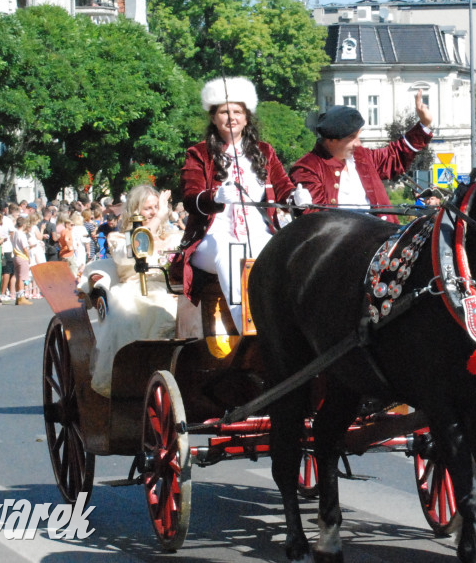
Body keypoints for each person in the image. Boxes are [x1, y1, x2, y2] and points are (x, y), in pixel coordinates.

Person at [175, 76, 309, 351]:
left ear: (247, 118)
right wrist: (214, 198)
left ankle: (294, 326)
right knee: (231, 254)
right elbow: (190, 199)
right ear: (214, 117)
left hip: (259, 231)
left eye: (238, 111)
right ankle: (251, 332)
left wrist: (296, 196)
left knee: (288, 255)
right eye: (224, 111)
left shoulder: (264, 152)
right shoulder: (198, 154)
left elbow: (283, 188)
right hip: (211, 238)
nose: (231, 117)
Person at [80, 185, 193, 396]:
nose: (153, 212)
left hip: (173, 289)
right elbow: (132, 253)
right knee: (158, 313)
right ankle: (146, 377)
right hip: (137, 289)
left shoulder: (175, 237)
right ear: (134, 211)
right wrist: (158, 218)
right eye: (148, 208)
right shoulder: (120, 239)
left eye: (156, 207)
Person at [291, 90, 433, 222]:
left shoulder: (361, 156)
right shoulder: (306, 169)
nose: (358, 144)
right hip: (346, 243)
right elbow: (319, 220)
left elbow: (394, 156)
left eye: (358, 136)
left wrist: (423, 124)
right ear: (331, 140)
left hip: (385, 238)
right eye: (352, 138)